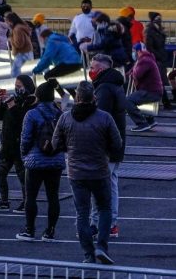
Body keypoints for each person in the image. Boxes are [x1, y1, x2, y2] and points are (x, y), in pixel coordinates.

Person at [51, 81, 121, 265]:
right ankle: (101, 247)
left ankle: (88, 254)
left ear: (77, 97)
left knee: (82, 213)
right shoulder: (104, 118)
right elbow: (117, 143)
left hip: (76, 173)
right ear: (94, 98)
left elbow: (55, 144)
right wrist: (104, 149)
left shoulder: (66, 118)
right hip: (99, 170)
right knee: (104, 209)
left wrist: (70, 148)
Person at [16, 80, 65, 242]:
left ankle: (29, 230)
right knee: (53, 196)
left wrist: (24, 155)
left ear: (38, 97)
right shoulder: (60, 114)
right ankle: (50, 231)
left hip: (35, 161)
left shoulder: (32, 114)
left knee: (31, 197)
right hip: (56, 161)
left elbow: (25, 138)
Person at [88, 53, 127, 240]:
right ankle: (111, 223)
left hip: (105, 147)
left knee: (100, 186)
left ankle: (97, 224)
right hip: (116, 144)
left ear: (101, 70)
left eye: (93, 68)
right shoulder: (116, 85)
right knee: (111, 184)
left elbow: (99, 119)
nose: (90, 71)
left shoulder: (103, 89)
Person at [0, 74, 35, 212]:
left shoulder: (31, 102)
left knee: (23, 177)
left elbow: (21, 120)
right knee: (0, 174)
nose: (16, 89)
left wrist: (11, 105)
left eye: (19, 86)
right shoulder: (13, 100)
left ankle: (26, 202)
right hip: (8, 145)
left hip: (20, 145)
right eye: (15, 86)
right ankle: (4, 201)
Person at [126, 43, 163, 132]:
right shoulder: (145, 59)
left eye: (134, 51)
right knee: (135, 99)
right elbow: (131, 72)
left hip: (151, 91)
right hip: (153, 90)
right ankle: (150, 121)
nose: (133, 53)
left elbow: (137, 74)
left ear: (139, 51)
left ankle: (142, 123)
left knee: (127, 101)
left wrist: (133, 69)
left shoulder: (144, 60)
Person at [144, 12, 172, 109]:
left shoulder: (158, 30)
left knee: (161, 82)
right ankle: (165, 102)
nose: (160, 20)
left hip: (161, 59)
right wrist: (158, 56)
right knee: (160, 81)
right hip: (156, 60)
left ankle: (165, 102)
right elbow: (149, 47)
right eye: (157, 18)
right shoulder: (150, 31)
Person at [6, 12, 34, 78]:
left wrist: (10, 40)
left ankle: (17, 85)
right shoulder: (20, 27)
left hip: (21, 53)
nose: (7, 24)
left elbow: (19, 44)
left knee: (14, 73)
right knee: (27, 72)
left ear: (11, 21)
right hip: (27, 52)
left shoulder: (17, 29)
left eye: (7, 21)